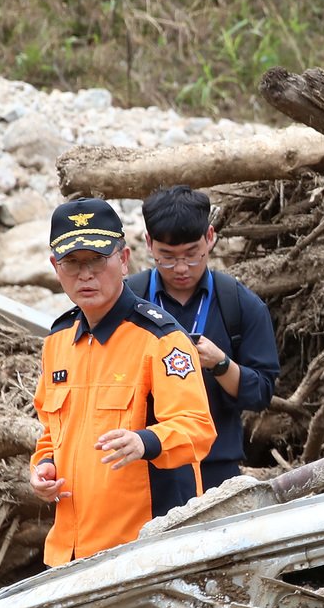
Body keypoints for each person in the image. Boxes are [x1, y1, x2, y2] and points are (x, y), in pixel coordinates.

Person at [30, 198, 216, 566]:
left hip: (142, 551)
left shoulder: (161, 339)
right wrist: (43, 467)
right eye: (72, 263)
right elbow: (51, 431)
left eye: (97, 260)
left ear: (124, 258)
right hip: (67, 554)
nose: (86, 275)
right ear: (55, 266)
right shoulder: (58, 340)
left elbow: (197, 429)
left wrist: (145, 441)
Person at [125, 185, 279, 489]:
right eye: (166, 257)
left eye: (192, 255)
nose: (181, 268)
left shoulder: (240, 304)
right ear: (148, 243)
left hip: (215, 467)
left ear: (210, 237)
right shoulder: (128, 301)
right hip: (141, 467)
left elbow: (261, 392)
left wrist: (221, 364)